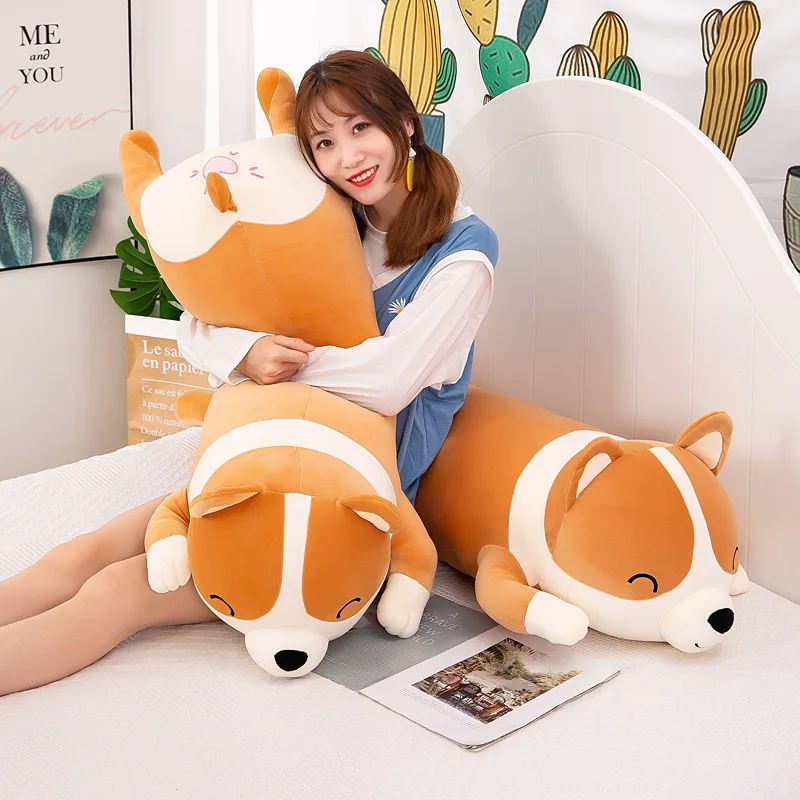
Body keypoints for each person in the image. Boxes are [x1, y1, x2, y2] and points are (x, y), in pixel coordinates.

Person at [0, 50, 498, 696]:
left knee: (119, 590)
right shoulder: (331, 217)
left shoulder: (465, 252)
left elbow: (389, 381)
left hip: (349, 489)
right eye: (323, 142)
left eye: (361, 127)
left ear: (404, 124)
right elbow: (197, 324)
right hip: (266, 450)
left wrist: (280, 370)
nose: (348, 157)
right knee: (87, 550)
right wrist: (247, 352)